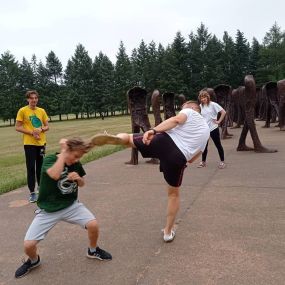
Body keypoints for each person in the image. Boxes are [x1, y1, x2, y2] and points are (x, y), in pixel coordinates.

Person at [90, 101, 210, 243]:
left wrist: (154, 131)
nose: (181, 110)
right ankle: (167, 232)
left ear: (191, 108)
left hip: (166, 141)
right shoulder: (206, 132)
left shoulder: (190, 112)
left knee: (129, 139)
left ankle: (116, 138)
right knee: (173, 195)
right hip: (179, 158)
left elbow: (175, 120)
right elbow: (193, 159)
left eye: (182, 108)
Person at [15, 137, 112, 279]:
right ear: (67, 151)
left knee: (93, 225)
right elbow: (54, 175)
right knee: (28, 246)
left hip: (71, 206)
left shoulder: (76, 164)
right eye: (76, 156)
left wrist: (78, 179)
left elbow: (82, 183)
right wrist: (64, 152)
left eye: (80, 157)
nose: (77, 160)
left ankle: (93, 250)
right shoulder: (49, 160)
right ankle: (34, 261)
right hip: (48, 210)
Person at [16, 90, 49, 203]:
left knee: (40, 167)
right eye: (31, 98)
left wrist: (41, 129)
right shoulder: (23, 111)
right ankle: (32, 193)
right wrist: (32, 133)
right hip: (29, 144)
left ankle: (41, 189)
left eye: (35, 98)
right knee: (31, 168)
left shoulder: (42, 111)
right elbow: (18, 127)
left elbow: (47, 126)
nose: (34, 100)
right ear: (28, 99)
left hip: (41, 143)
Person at [197, 90, 227, 169]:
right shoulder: (200, 106)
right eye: (201, 98)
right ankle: (203, 162)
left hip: (213, 128)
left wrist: (219, 121)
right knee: (204, 146)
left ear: (207, 97)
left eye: (204, 97)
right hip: (205, 130)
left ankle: (222, 162)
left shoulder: (213, 104)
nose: (203, 99)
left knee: (218, 145)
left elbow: (223, 112)